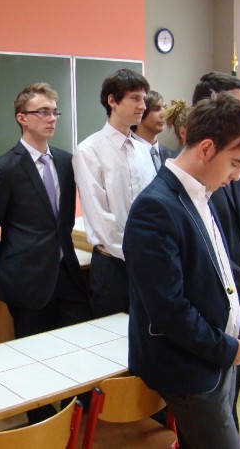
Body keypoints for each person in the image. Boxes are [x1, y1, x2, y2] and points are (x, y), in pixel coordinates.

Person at [124, 92, 240, 449]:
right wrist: (224, 348)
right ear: (206, 149)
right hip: (190, 367)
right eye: (235, 163)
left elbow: (211, 271)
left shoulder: (200, 191)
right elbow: (168, 309)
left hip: (216, 354)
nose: (237, 176)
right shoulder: (155, 208)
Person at [0, 83, 91, 339]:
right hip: (27, 281)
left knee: (80, 343)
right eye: (43, 112)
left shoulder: (65, 162)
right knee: (37, 353)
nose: (51, 118)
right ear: (22, 118)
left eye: (54, 112)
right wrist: (4, 268)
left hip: (67, 274)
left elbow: (64, 220)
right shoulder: (4, 169)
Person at [193, 72, 240, 430]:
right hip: (206, 340)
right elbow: (204, 257)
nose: (237, 174)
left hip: (236, 301)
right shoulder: (183, 193)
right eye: (238, 107)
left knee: (230, 404)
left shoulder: (228, 172)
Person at [72, 68, 155, 318]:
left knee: (149, 333)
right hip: (114, 265)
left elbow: (155, 208)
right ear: (112, 101)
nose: (142, 106)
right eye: (135, 98)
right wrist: (137, 253)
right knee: (112, 336)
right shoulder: (89, 151)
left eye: (144, 99)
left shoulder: (144, 151)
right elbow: (101, 218)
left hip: (148, 261)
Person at [132, 90, 175, 170]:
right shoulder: (126, 151)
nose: (164, 114)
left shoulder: (171, 157)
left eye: (164, 107)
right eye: (156, 109)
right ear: (140, 112)